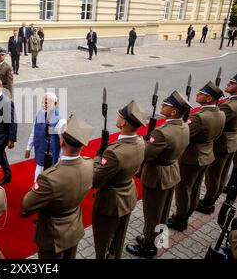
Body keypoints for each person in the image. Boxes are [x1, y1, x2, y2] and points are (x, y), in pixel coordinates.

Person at [126, 91, 192, 258]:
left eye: (166, 104)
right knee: (163, 211)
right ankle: (155, 238)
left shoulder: (162, 132)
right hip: (171, 171)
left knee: (152, 212)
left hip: (157, 176)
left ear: (174, 112)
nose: (162, 104)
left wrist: (143, 141)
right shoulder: (183, 125)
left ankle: (148, 246)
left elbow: (146, 155)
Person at [22, 114, 94, 259]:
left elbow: (27, 204)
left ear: (61, 142)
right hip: (74, 227)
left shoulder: (50, 178)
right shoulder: (89, 164)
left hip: (53, 235)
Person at [92, 100, 147, 259]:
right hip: (128, 194)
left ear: (123, 122)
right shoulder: (140, 141)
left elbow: (95, 180)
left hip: (110, 201)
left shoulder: (114, 152)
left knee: (102, 240)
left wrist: (97, 157)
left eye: (119, 115)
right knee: (119, 238)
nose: (118, 117)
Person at [168, 81, 226, 231]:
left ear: (208, 99)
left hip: (191, 158)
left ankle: (180, 219)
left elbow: (184, 135)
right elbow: (218, 134)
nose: (197, 94)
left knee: (184, 189)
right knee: (195, 188)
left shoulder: (199, 117)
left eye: (201, 94)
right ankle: (187, 214)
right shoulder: (219, 112)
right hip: (207, 153)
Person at [197, 74, 237, 214]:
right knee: (221, 175)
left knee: (213, 177)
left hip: (222, 143)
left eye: (232, 83)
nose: (228, 84)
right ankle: (212, 200)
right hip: (232, 141)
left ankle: (207, 203)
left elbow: (216, 123)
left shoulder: (230, 106)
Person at [25, 92, 66, 182]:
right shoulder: (39, 113)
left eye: (47, 102)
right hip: (40, 151)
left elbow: (63, 143)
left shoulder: (60, 120)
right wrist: (28, 148)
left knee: (50, 180)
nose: (44, 105)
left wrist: (60, 160)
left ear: (55, 104)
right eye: (43, 102)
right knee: (37, 177)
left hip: (53, 156)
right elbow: (34, 130)